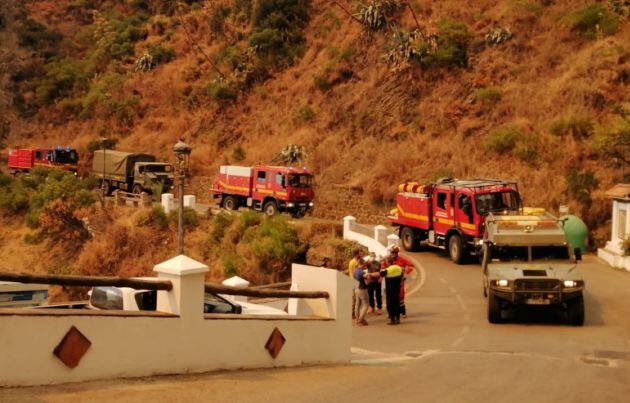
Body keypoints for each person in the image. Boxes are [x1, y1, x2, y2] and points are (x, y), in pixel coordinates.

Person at [384, 246, 414, 318]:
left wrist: (406, 273)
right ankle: (390, 313)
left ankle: (402, 312)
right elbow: (382, 268)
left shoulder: (402, 260)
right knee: (389, 298)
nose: (393, 254)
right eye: (392, 252)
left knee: (400, 297)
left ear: (397, 253)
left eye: (395, 253)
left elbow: (411, 266)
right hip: (389, 282)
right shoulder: (387, 259)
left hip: (399, 281)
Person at [377, 256, 403, 325]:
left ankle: (392, 320)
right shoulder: (399, 268)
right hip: (397, 289)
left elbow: (380, 274)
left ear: (388, 262)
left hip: (390, 290)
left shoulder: (387, 270)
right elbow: (402, 276)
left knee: (390, 304)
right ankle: (398, 319)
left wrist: (382, 265)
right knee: (397, 303)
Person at [353, 258, 370, 325]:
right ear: (362, 264)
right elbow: (367, 283)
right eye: (365, 264)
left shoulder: (355, 271)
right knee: (366, 304)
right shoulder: (362, 273)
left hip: (356, 289)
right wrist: (368, 277)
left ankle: (357, 319)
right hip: (362, 289)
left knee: (357, 304)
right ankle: (361, 319)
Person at [348, 250, 363, 319]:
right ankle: (353, 313)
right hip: (355, 281)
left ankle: (354, 313)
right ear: (357, 254)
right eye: (360, 253)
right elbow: (356, 273)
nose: (361, 254)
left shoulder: (352, 261)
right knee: (355, 299)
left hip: (352, 281)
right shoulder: (354, 262)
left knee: (355, 298)